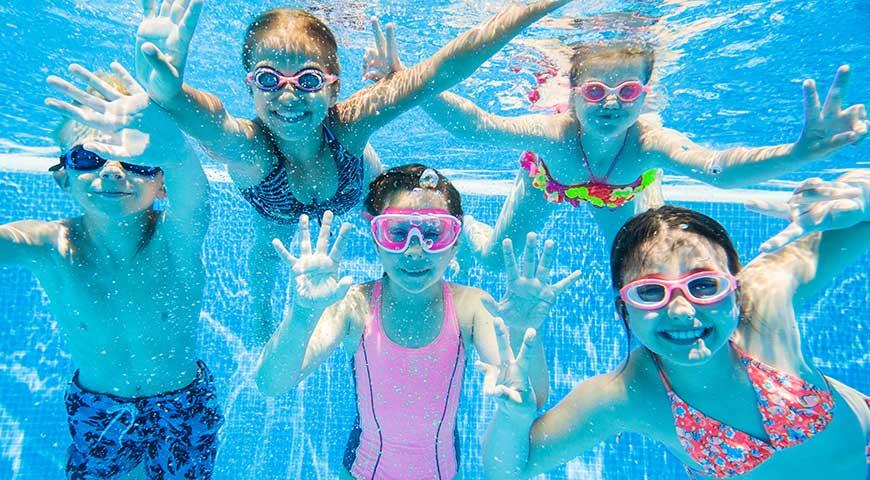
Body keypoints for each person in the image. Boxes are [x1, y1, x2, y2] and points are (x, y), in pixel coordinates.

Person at [133, 0, 573, 339]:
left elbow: (440, 70)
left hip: (357, 185)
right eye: (269, 79)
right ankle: (260, 315)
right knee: (265, 255)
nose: (288, 97)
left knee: (403, 222)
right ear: (249, 85)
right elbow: (211, 121)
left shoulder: (347, 126)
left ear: (333, 86)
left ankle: (455, 241)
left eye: (306, 80)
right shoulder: (253, 150)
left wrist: (535, 7)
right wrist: (169, 90)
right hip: (276, 210)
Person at [478, 171, 870, 479]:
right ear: (624, 309)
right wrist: (513, 419)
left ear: (735, 287)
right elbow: (510, 469)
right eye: (651, 292)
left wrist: (862, 194)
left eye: (703, 286)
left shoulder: (767, 295)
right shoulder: (630, 394)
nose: (683, 311)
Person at [363, 30, 869, 267]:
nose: (610, 104)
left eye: (627, 92)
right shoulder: (555, 136)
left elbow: (715, 168)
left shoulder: (647, 141)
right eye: (595, 91)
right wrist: (406, 82)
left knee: (640, 264)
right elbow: (476, 127)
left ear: (644, 95)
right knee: (496, 260)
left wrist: (797, 154)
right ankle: (468, 230)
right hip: (549, 183)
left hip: (625, 193)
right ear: (573, 94)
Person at [255, 164, 580, 479]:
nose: (414, 251)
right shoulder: (353, 305)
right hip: (361, 473)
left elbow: (529, 395)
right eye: (396, 232)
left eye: (432, 233)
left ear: (454, 243)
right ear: (375, 240)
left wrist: (521, 332)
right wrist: (302, 313)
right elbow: (271, 383)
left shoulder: (471, 308)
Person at [0, 63, 224, 478]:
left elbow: (195, 192)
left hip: (183, 403)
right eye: (88, 158)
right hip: (100, 408)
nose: (113, 170)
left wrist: (167, 138)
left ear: (162, 182)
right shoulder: (49, 246)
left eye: (137, 159)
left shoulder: (177, 239)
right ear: (63, 177)